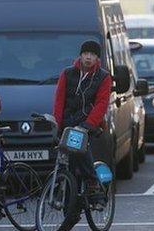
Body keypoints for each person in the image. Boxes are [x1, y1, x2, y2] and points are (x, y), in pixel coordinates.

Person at [53, 40, 112, 230]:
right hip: (68, 124)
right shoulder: (67, 73)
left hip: (88, 124)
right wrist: (57, 123)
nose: (88, 57)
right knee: (67, 165)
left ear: (97, 58)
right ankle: (71, 208)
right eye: (85, 53)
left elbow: (102, 104)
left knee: (80, 152)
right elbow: (59, 100)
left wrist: (87, 125)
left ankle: (94, 184)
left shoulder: (103, 77)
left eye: (92, 54)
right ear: (80, 55)